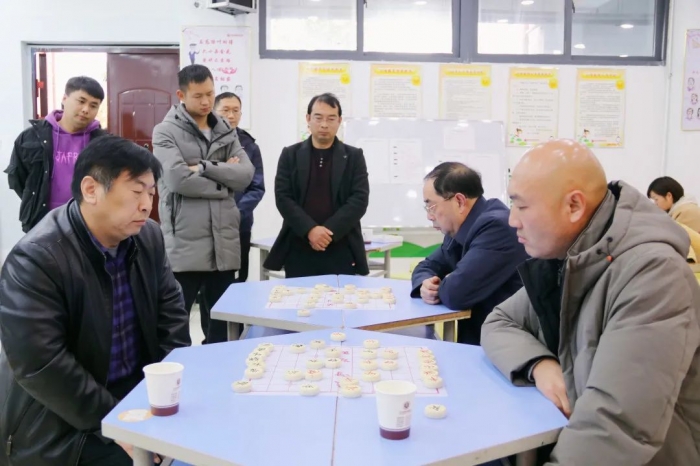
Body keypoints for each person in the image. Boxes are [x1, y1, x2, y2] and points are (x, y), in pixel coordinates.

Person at [481, 139, 700, 465]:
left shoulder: (654, 275)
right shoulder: (569, 257)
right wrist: (538, 365)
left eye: (521, 206)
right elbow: (499, 322)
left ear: (573, 206)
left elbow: (616, 426)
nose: (512, 220)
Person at [0, 135, 191, 466]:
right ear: (91, 190)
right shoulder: (37, 258)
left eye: (151, 192)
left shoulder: (148, 236)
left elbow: (171, 316)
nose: (146, 205)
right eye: (136, 192)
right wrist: (118, 424)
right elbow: (41, 365)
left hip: (136, 392)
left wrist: (168, 393)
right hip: (63, 417)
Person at [152, 64, 254, 344]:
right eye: (198, 96)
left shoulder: (225, 130)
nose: (206, 101)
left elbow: (246, 175)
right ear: (181, 95)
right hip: (185, 244)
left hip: (224, 243)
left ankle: (218, 367)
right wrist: (225, 181)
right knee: (175, 324)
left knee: (222, 326)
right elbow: (178, 180)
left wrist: (205, 167)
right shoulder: (165, 132)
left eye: (210, 93)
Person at [410, 162, 528, 345]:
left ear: (459, 201)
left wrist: (447, 282)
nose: (429, 216)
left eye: (431, 207)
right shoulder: (458, 229)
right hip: (480, 339)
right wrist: (425, 284)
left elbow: (456, 294)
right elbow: (426, 266)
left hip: (505, 344)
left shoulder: (497, 227)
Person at [264, 93, 369, 277]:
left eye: (331, 118)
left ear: (339, 121)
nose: (324, 124)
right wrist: (310, 230)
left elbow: (359, 200)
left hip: (341, 245)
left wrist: (328, 233)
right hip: (299, 244)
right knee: (297, 295)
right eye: (318, 117)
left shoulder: (354, 156)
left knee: (341, 295)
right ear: (308, 118)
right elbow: (283, 198)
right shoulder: (290, 155)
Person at [4, 76, 107, 232]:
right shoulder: (31, 137)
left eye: (93, 105)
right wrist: (36, 199)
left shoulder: (103, 142)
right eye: (81, 101)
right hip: (42, 223)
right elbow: (18, 178)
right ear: (64, 98)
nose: (86, 109)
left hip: (89, 224)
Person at [214, 92, 265, 282]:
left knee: (238, 279)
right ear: (213, 112)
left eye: (236, 111)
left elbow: (257, 187)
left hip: (239, 224)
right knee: (211, 283)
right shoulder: (202, 142)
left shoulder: (249, 146)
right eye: (225, 110)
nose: (231, 115)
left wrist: (235, 213)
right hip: (207, 225)